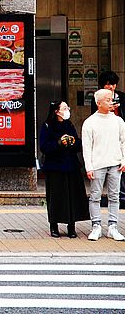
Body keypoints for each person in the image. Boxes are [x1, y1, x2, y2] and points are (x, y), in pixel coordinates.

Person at [39, 100, 89, 238]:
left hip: (71, 166)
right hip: (54, 167)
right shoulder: (47, 126)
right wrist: (58, 143)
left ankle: (71, 226)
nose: (67, 110)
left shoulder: (69, 124)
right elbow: (44, 147)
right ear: (56, 111)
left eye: (67, 107)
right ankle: (54, 225)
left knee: (72, 196)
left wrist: (72, 142)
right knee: (56, 197)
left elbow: (79, 143)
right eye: (64, 108)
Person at [82, 88, 125, 241]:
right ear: (98, 103)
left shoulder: (119, 121)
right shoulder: (90, 122)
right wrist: (89, 167)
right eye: (107, 99)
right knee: (95, 196)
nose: (111, 101)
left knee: (115, 196)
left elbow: (123, 142)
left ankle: (113, 227)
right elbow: (86, 147)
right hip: (97, 163)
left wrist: (123, 159)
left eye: (111, 98)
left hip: (115, 162)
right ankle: (96, 226)